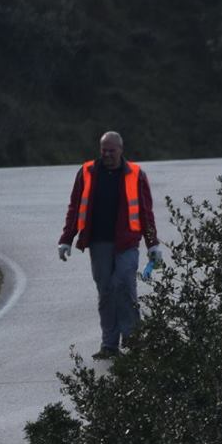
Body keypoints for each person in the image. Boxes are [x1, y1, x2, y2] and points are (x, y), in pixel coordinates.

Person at [56, 131, 163, 359]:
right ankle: (109, 345)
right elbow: (74, 208)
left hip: (127, 243)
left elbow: (146, 213)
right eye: (104, 150)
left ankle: (134, 342)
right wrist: (66, 239)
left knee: (123, 287)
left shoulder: (135, 174)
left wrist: (152, 244)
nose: (107, 154)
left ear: (121, 150)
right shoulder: (87, 173)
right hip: (98, 243)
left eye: (111, 150)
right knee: (105, 292)